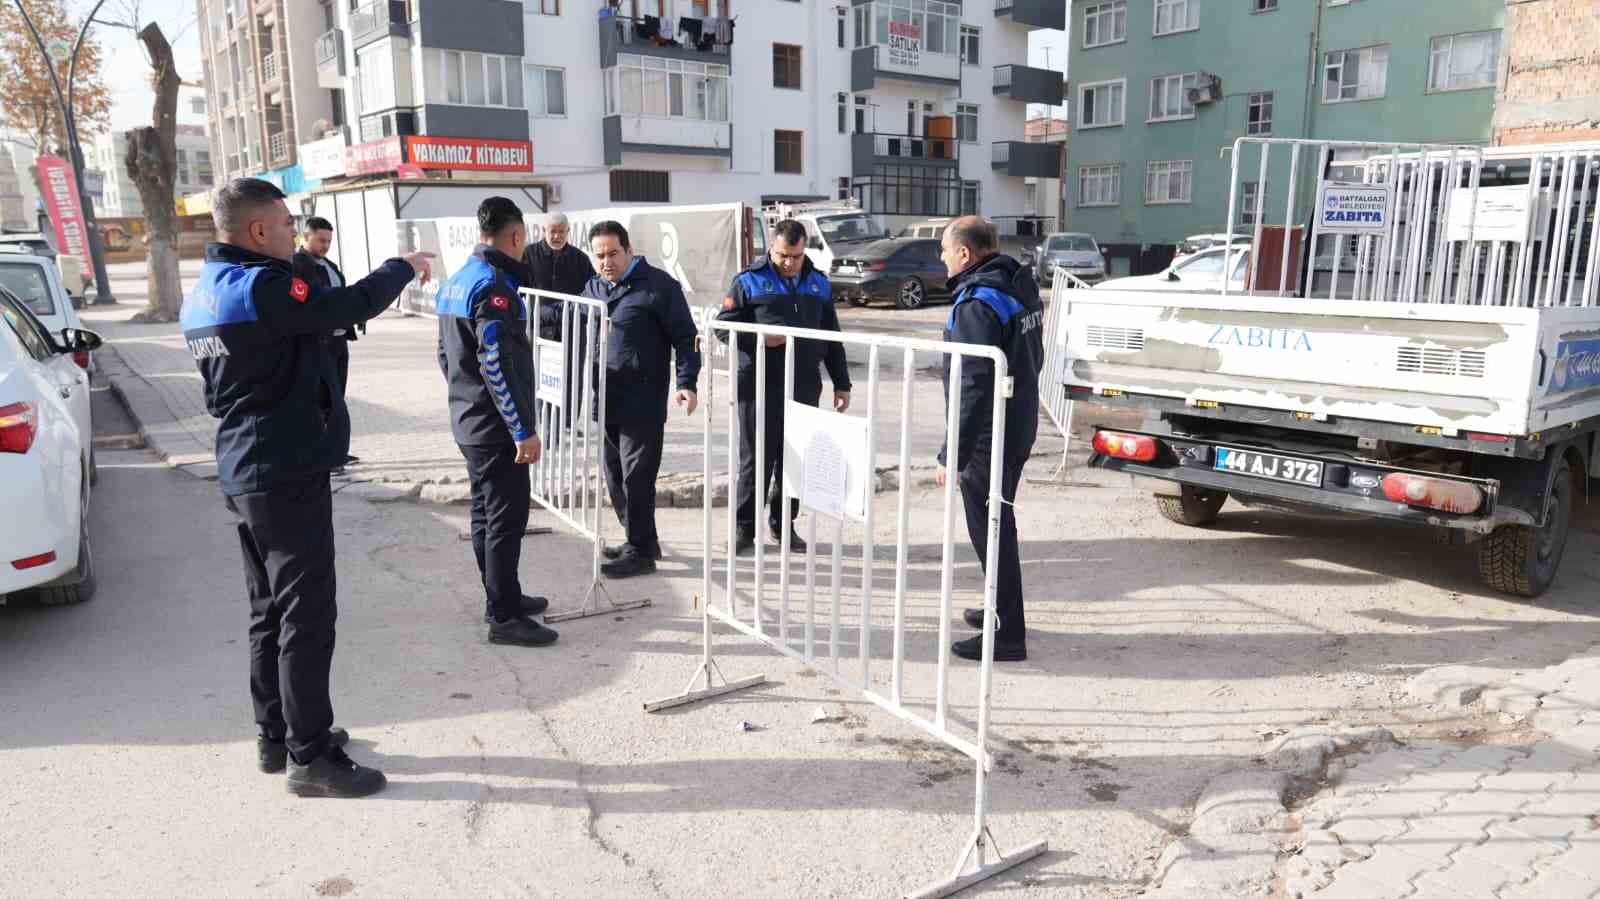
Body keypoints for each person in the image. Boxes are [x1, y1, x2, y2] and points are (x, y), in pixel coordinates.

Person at [179, 178, 432, 797]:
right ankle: (311, 755)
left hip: (244, 465)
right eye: (288, 223)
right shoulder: (263, 286)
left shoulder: (206, 290)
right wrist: (402, 266)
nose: (295, 232)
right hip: (284, 467)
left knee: (268, 611)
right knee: (307, 615)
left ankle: (277, 736)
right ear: (258, 230)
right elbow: (343, 307)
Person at [436, 197, 560, 648]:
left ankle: (502, 595)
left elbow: (445, 355)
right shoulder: (493, 286)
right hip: (494, 428)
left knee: (485, 515)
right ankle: (504, 616)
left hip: (468, 419)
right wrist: (521, 429)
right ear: (517, 235)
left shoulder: (458, 280)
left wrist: (464, 398)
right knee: (505, 520)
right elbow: (496, 364)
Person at [934, 216, 1044, 663]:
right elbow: (1034, 355)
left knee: (992, 531)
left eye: (944, 250)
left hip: (989, 435)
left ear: (964, 253)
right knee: (997, 524)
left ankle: (1007, 634)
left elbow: (973, 386)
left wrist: (953, 455)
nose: (941, 258)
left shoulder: (978, 303)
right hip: (1016, 423)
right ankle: (999, 609)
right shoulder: (1018, 284)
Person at [716, 219, 851, 555]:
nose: (789, 263)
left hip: (803, 384)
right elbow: (722, 327)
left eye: (796, 256)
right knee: (756, 459)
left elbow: (832, 336)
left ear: (804, 251)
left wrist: (842, 383)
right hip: (759, 384)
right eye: (782, 255)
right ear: (771, 249)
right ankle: (744, 528)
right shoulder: (748, 280)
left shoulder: (818, 283)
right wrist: (759, 338)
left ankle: (783, 524)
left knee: (795, 460)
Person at [582, 220, 701, 579]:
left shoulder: (659, 286)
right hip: (607, 396)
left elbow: (686, 338)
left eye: (613, 253)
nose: (606, 262)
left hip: (643, 400)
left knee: (637, 478)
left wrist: (687, 382)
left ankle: (639, 552)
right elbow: (568, 316)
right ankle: (643, 540)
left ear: (629, 250)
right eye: (599, 255)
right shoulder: (594, 287)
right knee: (615, 476)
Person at [292, 216, 360, 468]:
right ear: (305, 236)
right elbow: (303, 302)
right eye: (321, 240)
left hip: (339, 342)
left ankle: (336, 452)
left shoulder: (330, 265)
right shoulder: (297, 265)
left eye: (329, 241)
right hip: (318, 342)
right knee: (324, 398)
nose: (326, 245)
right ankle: (324, 455)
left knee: (337, 397)